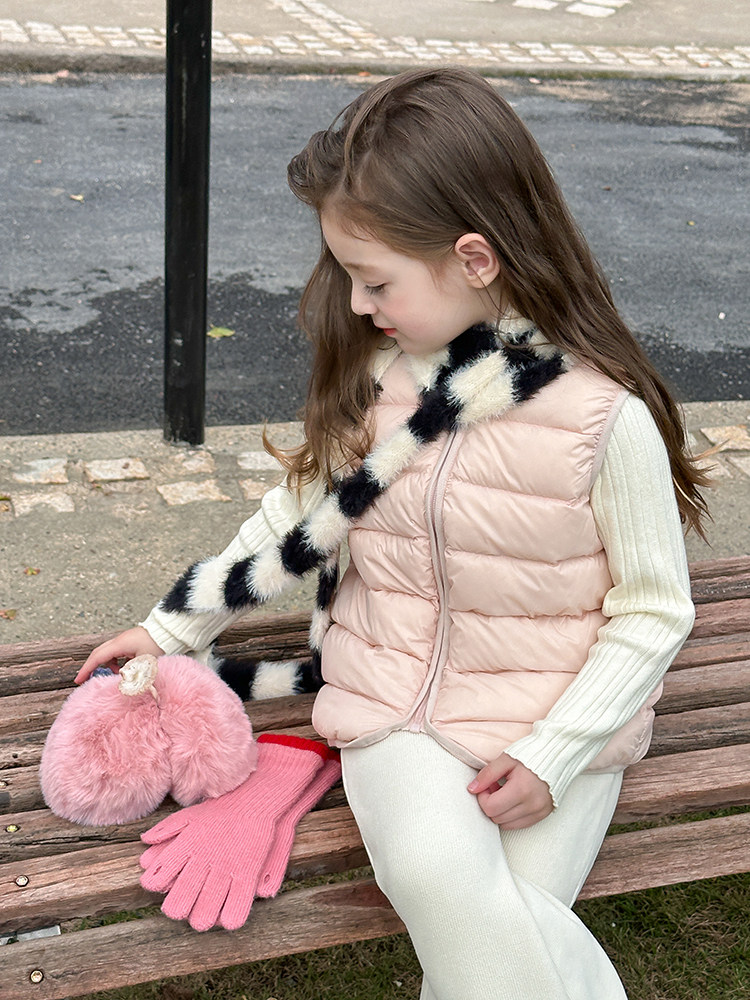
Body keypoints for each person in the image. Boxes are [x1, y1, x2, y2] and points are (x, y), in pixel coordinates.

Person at [78, 68, 708, 998]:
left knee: (495, 935)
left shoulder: (603, 418)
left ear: (475, 259)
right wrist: (172, 629)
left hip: (559, 714)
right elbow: (290, 521)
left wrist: (555, 752)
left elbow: (654, 612)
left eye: (375, 280)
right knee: (436, 876)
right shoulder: (376, 389)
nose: (356, 303)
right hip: (389, 704)